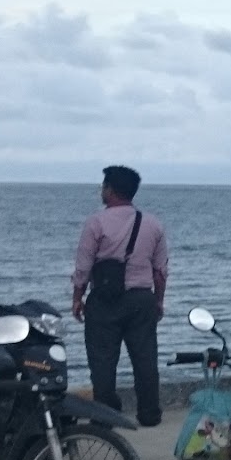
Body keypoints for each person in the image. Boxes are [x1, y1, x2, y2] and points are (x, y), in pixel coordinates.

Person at [72, 165, 169, 427]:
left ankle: (106, 415)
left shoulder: (96, 222)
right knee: (145, 359)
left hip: (104, 299)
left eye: (103, 186)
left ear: (110, 190)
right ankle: (149, 414)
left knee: (102, 361)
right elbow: (160, 271)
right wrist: (158, 300)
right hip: (141, 299)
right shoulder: (153, 224)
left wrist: (77, 297)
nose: (101, 191)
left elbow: (83, 267)